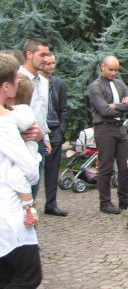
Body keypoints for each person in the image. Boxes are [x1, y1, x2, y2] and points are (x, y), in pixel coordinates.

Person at [0, 53, 43, 288]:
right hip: (8, 210)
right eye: (17, 78)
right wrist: (33, 149)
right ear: (6, 86)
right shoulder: (5, 123)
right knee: (28, 276)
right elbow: (31, 170)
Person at [88, 55, 128, 215]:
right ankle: (105, 202)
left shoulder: (119, 83)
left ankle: (124, 199)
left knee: (126, 165)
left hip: (120, 127)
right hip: (104, 128)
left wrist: (116, 105)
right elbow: (104, 110)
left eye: (116, 70)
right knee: (106, 167)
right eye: (111, 70)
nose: (114, 73)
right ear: (102, 67)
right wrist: (123, 106)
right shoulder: (96, 87)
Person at [19, 38, 52, 198]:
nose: (46, 59)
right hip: (20, 141)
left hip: (38, 141)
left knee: (34, 190)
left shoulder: (44, 82)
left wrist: (45, 137)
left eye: (48, 54)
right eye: (42, 55)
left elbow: (41, 112)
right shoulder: (17, 78)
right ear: (29, 54)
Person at [5, 75, 40, 227]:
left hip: (27, 152)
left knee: (18, 178)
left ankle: (28, 207)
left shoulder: (21, 110)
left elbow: (25, 123)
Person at [40, 52, 69, 217]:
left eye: (53, 63)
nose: (51, 66)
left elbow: (64, 108)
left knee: (52, 170)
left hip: (55, 130)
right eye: (48, 63)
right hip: (38, 131)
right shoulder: (35, 83)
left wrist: (62, 128)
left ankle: (51, 204)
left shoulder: (58, 83)